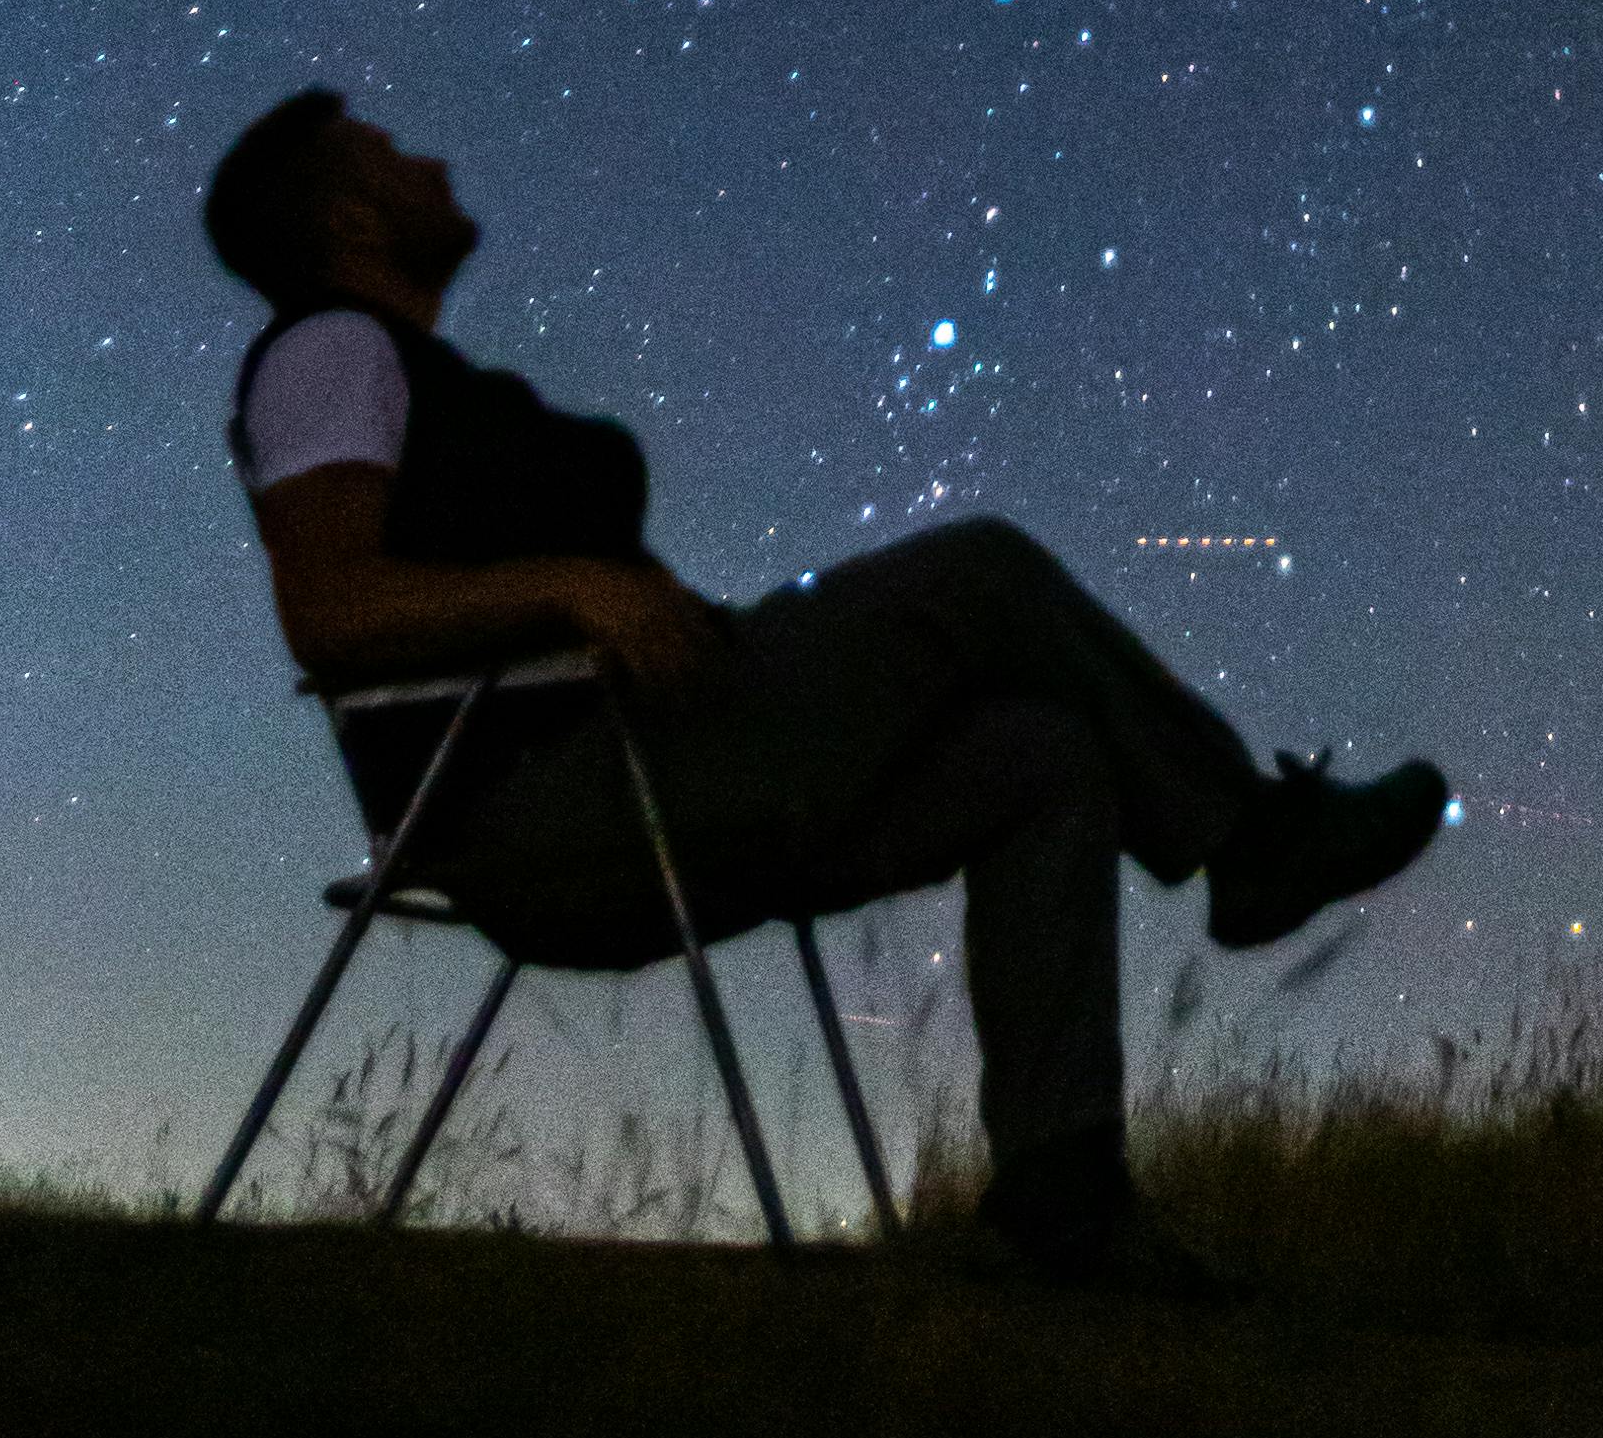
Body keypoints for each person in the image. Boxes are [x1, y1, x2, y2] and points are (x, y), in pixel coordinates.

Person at [203, 85, 1449, 1294]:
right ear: (350, 223)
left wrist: (589, 588)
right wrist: (573, 585)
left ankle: (1062, 1205)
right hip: (557, 804)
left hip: (668, 775)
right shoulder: (327, 351)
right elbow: (330, 610)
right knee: (979, 571)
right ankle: (1249, 839)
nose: (426, 162)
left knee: (1042, 754)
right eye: (386, 153)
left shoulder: (418, 373)